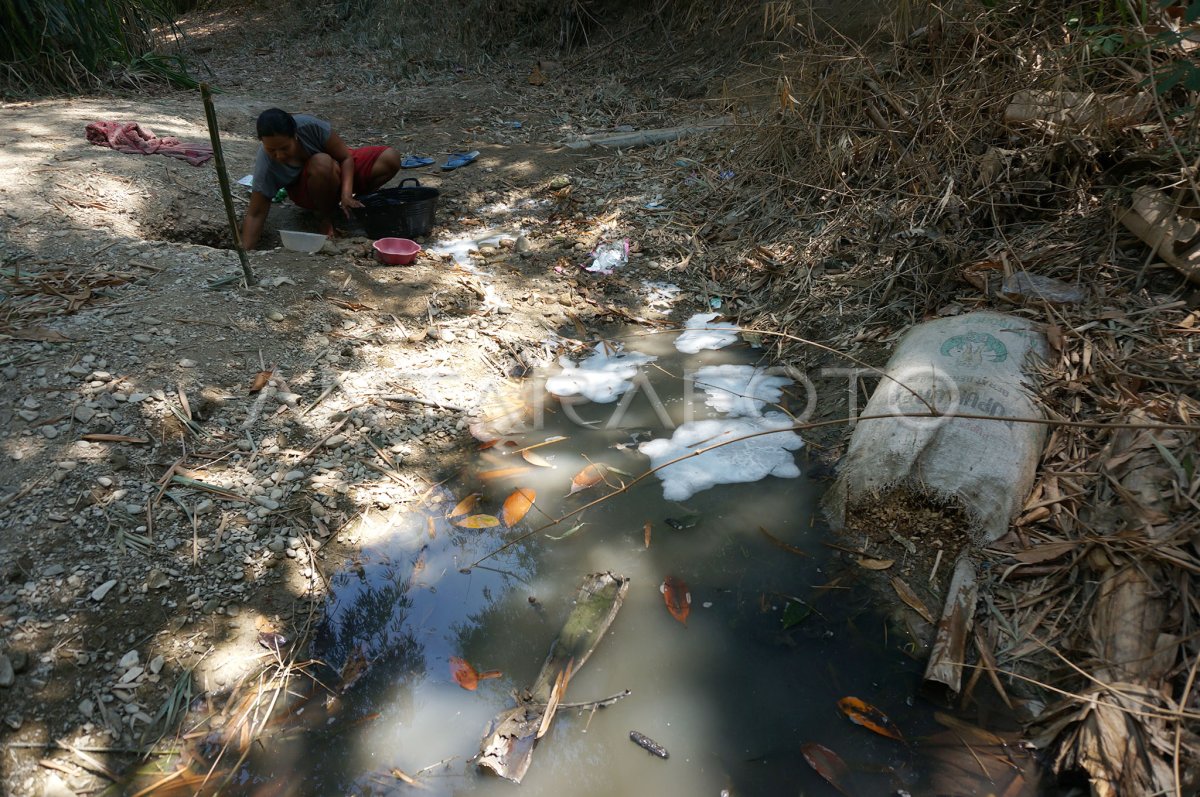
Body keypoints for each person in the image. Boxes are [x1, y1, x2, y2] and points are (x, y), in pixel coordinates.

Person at [240, 108, 401, 249]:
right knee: (321, 162)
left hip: (338, 172)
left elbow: (346, 157)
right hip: (310, 192)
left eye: (284, 148)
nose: (279, 155)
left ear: (295, 136)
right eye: (271, 150)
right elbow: (256, 213)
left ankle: (355, 205)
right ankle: (325, 218)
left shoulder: (311, 127)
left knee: (390, 158)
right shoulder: (266, 164)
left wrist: (346, 195)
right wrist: (244, 253)